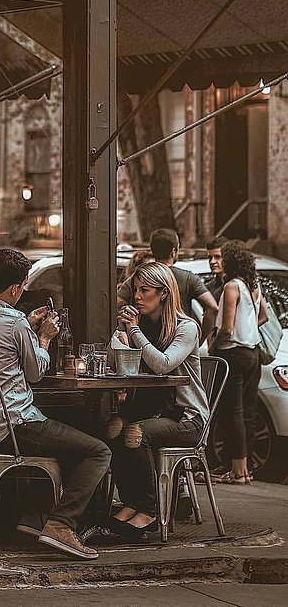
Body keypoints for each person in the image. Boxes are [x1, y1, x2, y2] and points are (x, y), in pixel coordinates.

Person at [0, 248, 111, 560]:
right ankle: (62, 524)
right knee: (98, 450)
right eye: (23, 286)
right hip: (12, 424)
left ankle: (34, 515)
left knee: (69, 438)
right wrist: (43, 338)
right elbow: (36, 373)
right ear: (15, 288)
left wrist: (25, 324)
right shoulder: (14, 324)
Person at [104, 261, 210, 541]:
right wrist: (120, 331)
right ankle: (131, 502)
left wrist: (135, 332)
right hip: (150, 411)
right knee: (112, 428)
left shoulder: (186, 328)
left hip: (187, 418)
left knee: (135, 433)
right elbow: (113, 363)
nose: (137, 297)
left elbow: (163, 364)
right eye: (136, 290)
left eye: (145, 290)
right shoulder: (142, 325)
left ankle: (151, 510)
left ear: (163, 293)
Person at [210, 240, 268, 484]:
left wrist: (214, 347)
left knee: (232, 412)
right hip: (253, 353)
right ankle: (245, 469)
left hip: (233, 354)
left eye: (222, 257)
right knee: (248, 412)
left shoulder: (231, 287)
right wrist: (249, 330)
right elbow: (263, 316)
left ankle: (236, 470)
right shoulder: (253, 286)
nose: (217, 261)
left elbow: (226, 328)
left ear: (230, 261)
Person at [148, 229, 218, 344]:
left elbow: (119, 301)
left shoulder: (141, 276)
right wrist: (199, 339)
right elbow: (212, 307)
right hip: (180, 343)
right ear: (174, 251)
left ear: (152, 250)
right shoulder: (188, 278)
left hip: (148, 343)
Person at [205, 236, 228, 302]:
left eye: (217, 257)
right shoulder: (208, 287)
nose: (212, 262)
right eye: (210, 258)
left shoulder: (240, 284)